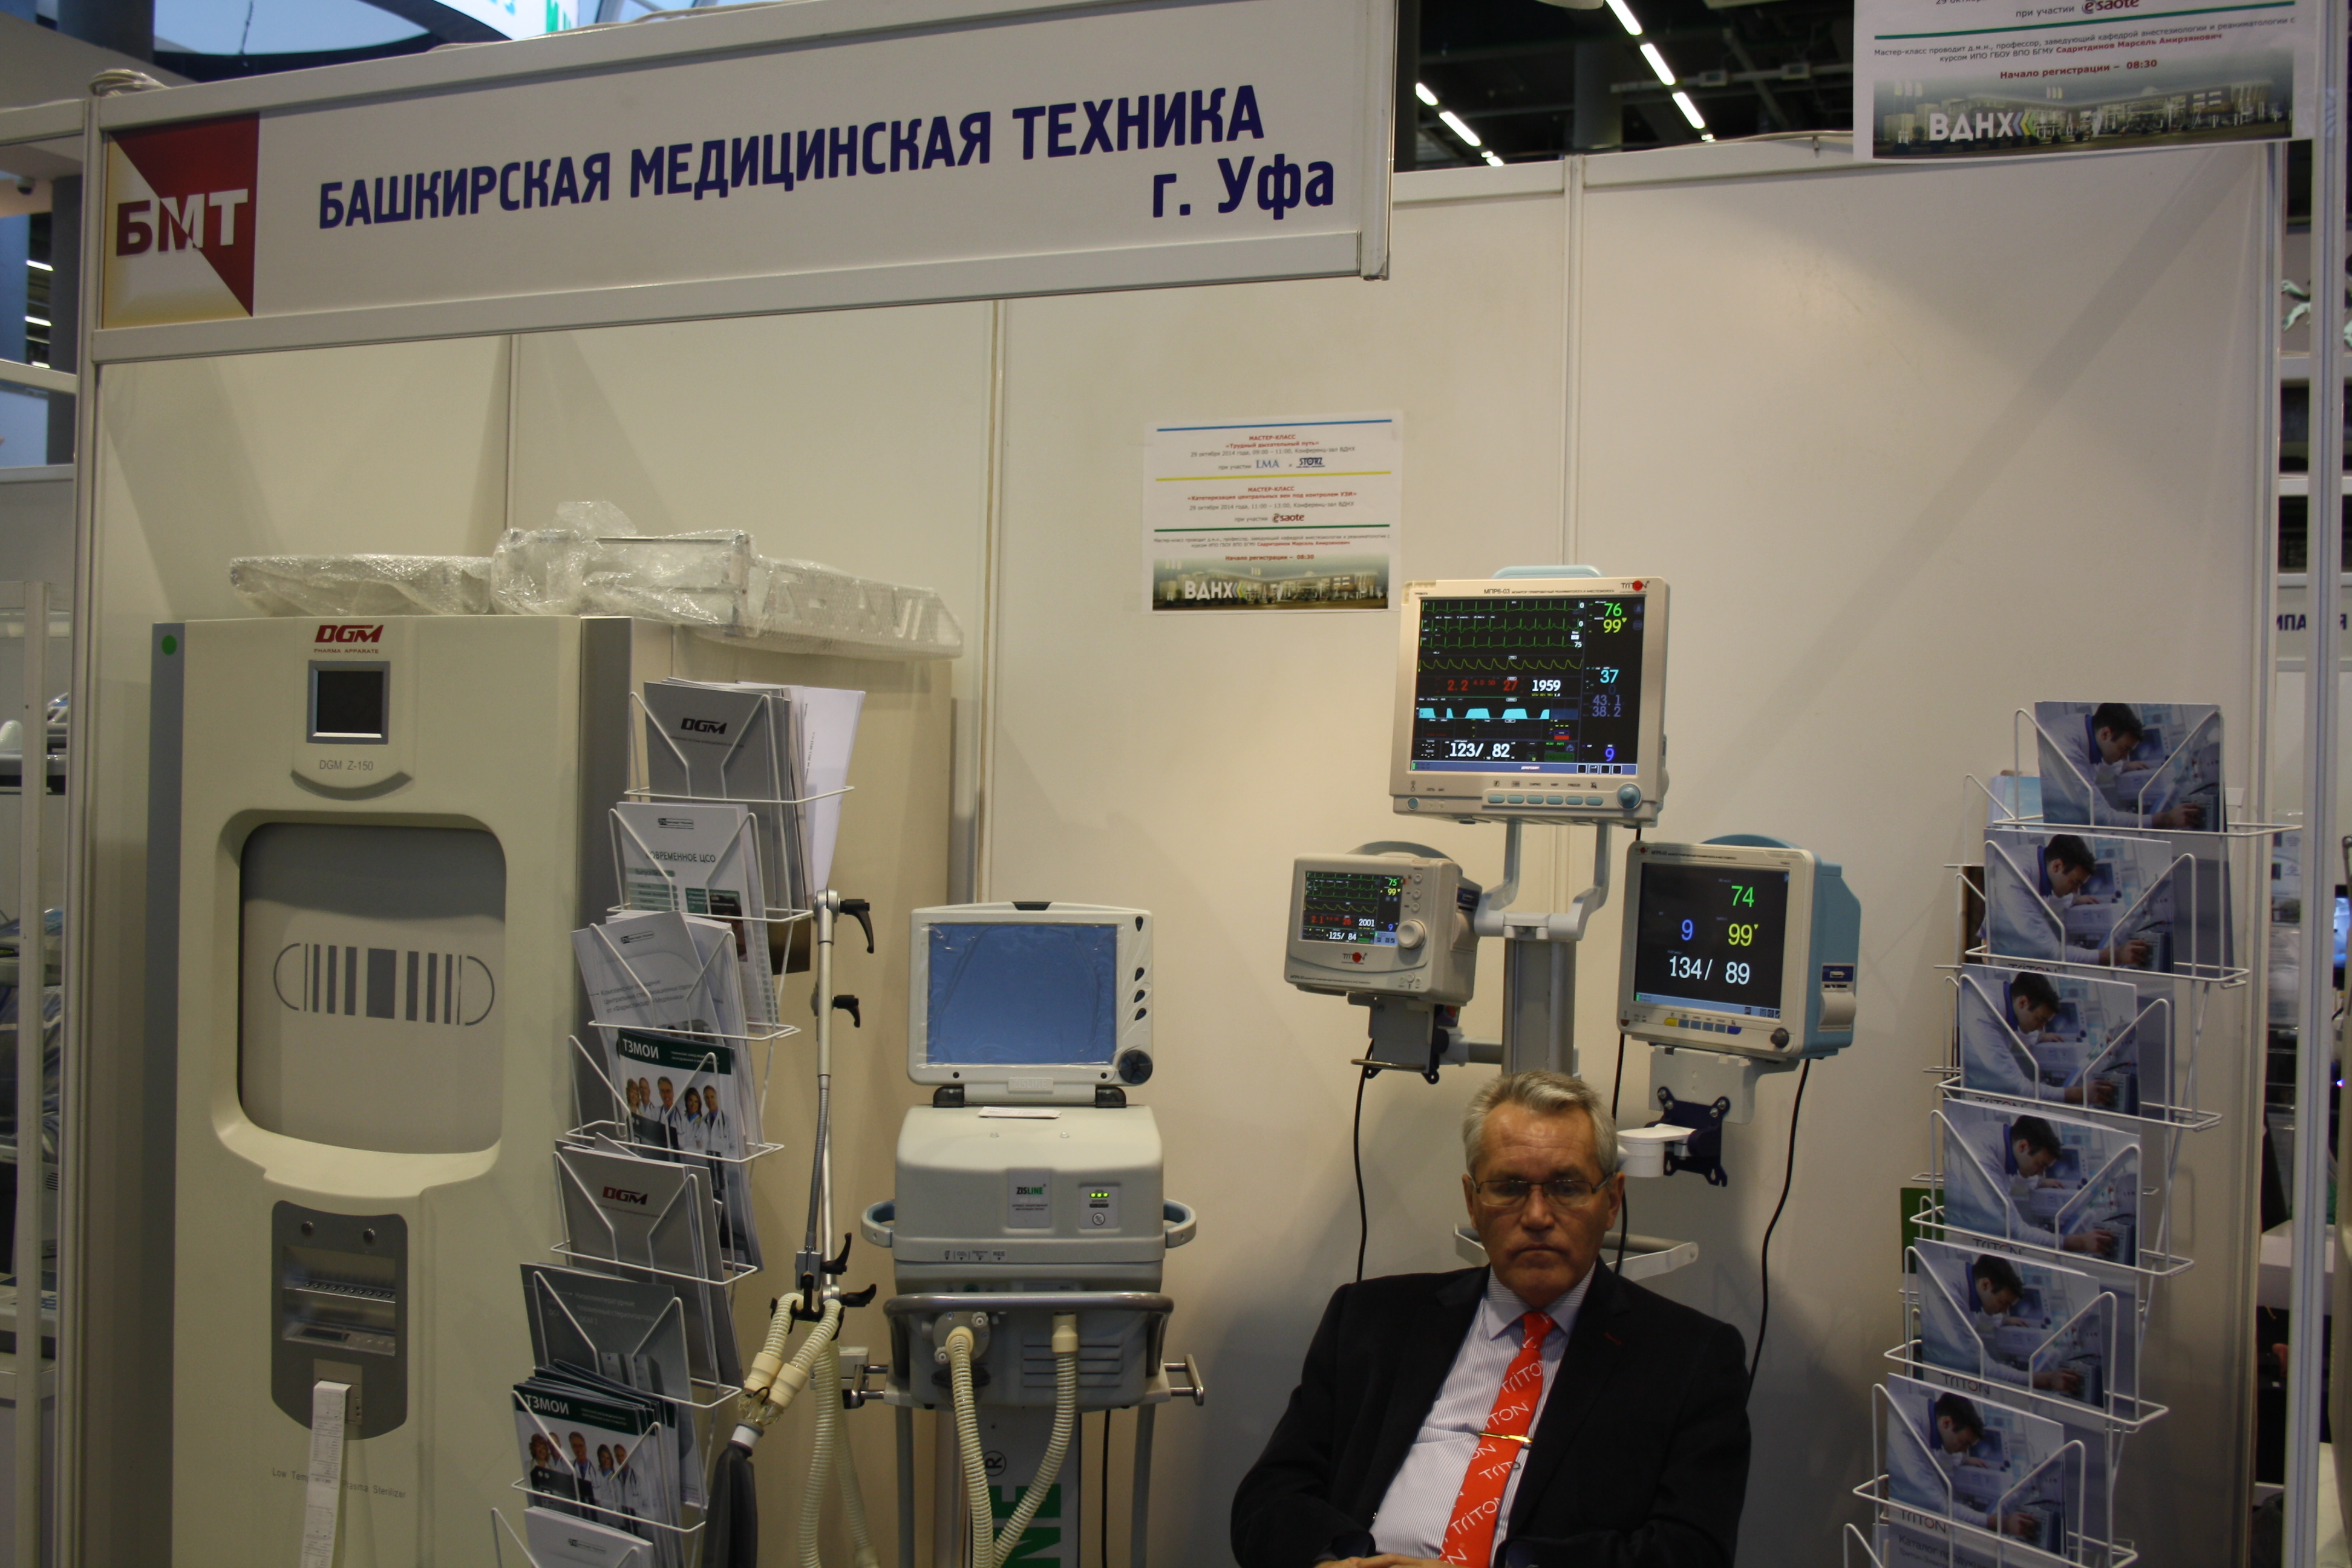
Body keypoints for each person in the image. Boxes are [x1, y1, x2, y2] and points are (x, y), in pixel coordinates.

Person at [1231, 1071, 1749, 1568]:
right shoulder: (1370, 1320)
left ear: (1611, 1201)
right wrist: (1331, 1563)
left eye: (1567, 1187)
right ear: (1472, 1202)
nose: (1538, 1216)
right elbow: (1271, 1496)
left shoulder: (1689, 1358)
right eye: (1509, 1187)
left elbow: (1691, 1552)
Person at [1886, 1393, 2043, 1543]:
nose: (1963, 1450)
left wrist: (1964, 1459)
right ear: (1947, 1423)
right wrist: (2000, 1523)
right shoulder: (1907, 1430)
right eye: (1964, 1443)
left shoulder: (1925, 1410)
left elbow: (1938, 1450)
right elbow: (1939, 1506)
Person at [2047, 703, 2204, 830]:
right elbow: (2103, 819)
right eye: (2124, 749)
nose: (2124, 756)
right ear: (2106, 734)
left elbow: (2099, 755)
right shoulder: (2067, 750)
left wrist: (2125, 766)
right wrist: (2165, 819)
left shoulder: (2088, 726)